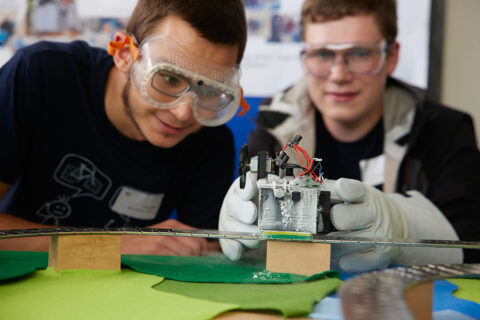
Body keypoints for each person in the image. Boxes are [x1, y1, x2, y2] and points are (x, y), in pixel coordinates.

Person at [219, 0, 480, 272]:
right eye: (322, 54)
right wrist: (245, 224)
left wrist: (404, 225)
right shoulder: (275, 125)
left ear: (390, 57)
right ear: (304, 58)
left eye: (359, 54)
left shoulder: (444, 130)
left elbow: (471, 243)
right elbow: (261, 250)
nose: (339, 74)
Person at [0, 0, 248, 256]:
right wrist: (113, 246)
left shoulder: (210, 141)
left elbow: (205, 253)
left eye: (209, 89)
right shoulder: (41, 75)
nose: (183, 113)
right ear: (124, 55)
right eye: (169, 78)